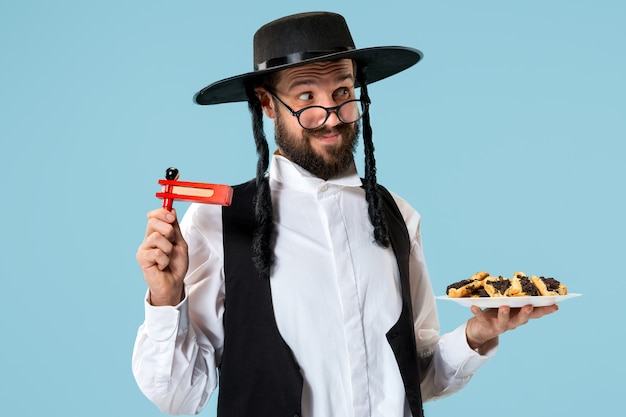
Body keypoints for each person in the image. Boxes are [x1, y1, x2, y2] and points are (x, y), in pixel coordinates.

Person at [133, 11, 558, 417]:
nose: (331, 116)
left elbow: (417, 376)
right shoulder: (218, 224)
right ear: (267, 104)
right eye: (306, 96)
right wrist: (166, 300)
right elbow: (179, 398)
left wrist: (475, 336)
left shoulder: (397, 216)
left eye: (342, 92)